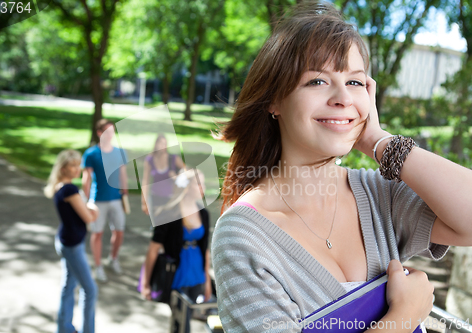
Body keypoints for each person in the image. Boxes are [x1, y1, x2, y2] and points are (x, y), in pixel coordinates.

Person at [211, 2, 472, 332]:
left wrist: (379, 142)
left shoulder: (378, 194)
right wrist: (403, 317)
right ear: (274, 101)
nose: (343, 98)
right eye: (318, 82)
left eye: (355, 82)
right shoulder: (243, 236)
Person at [140, 170, 212, 333]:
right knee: (182, 323)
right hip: (175, 274)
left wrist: (207, 281)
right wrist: (145, 283)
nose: (203, 188)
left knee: (180, 323)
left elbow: (205, 249)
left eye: (203, 183)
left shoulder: (204, 214)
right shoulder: (168, 213)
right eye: (198, 183)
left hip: (196, 273)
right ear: (186, 187)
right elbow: (153, 250)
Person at [44, 149, 99, 333]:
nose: (78, 169)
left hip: (66, 241)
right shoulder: (69, 189)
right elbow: (89, 217)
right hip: (72, 245)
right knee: (90, 290)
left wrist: (88, 208)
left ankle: (64, 328)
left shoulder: (60, 186)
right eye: (73, 165)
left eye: (79, 165)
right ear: (63, 168)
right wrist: (93, 209)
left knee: (68, 286)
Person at [82, 119, 128, 282]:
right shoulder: (91, 154)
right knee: (97, 233)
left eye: (112, 131)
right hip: (98, 200)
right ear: (99, 133)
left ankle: (113, 258)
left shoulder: (120, 152)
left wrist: (125, 192)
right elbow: (86, 178)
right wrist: (85, 201)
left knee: (120, 231)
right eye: (107, 132)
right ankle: (98, 266)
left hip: (116, 199)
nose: (111, 135)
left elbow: (123, 174)